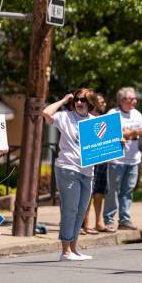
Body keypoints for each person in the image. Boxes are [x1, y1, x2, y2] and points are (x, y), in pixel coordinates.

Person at [43, 89, 95, 261]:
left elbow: (106, 148)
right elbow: (46, 113)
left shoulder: (95, 122)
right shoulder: (65, 116)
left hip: (87, 172)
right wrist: (64, 99)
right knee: (70, 209)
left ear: (90, 103)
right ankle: (65, 251)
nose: (79, 103)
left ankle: (74, 248)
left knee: (81, 211)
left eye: (83, 100)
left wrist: (120, 143)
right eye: (77, 100)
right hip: (68, 168)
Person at [103, 87, 142, 231]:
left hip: (133, 159)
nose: (135, 101)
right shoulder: (112, 114)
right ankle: (109, 220)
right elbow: (106, 134)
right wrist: (127, 133)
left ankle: (124, 220)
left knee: (128, 191)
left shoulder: (137, 114)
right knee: (113, 191)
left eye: (135, 98)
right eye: (132, 98)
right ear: (122, 100)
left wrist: (131, 133)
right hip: (116, 160)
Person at [82, 92, 110, 234]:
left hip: (102, 160)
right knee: (88, 193)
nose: (103, 104)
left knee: (100, 192)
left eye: (104, 102)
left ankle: (99, 222)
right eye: (100, 102)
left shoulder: (106, 120)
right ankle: (86, 224)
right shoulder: (86, 118)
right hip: (88, 160)